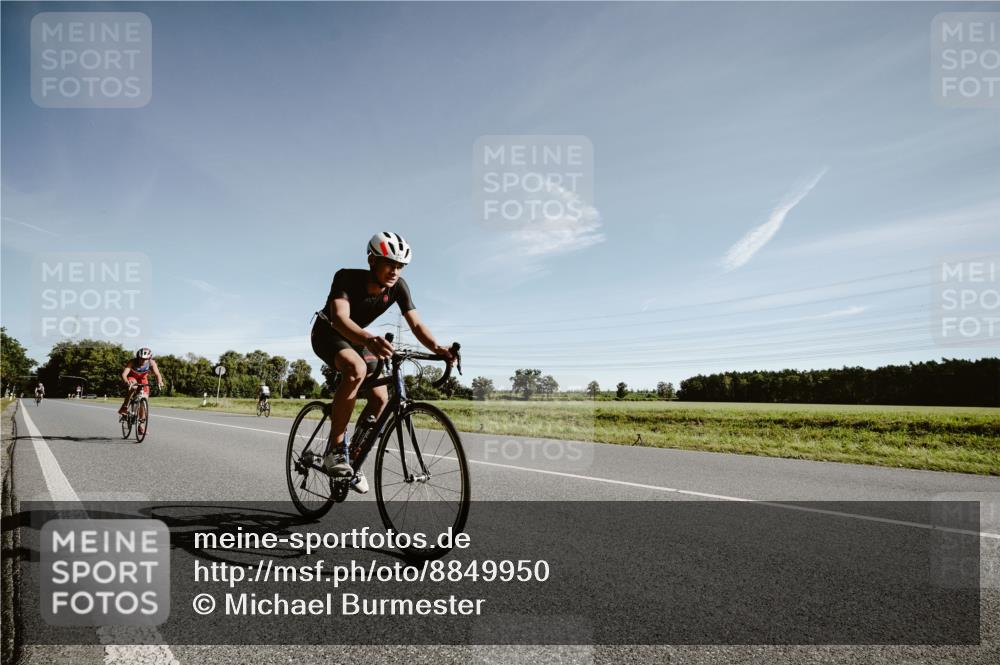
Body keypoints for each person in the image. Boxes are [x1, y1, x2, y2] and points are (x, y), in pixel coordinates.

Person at [311, 231, 453, 493]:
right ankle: (336, 449)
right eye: (390, 263)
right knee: (356, 369)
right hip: (327, 333)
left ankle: (354, 455)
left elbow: (416, 322)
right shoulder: (346, 277)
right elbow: (341, 318)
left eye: (400, 266)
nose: (395, 271)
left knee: (380, 398)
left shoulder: (398, 287)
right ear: (372, 261)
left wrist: (437, 348)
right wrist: (368, 338)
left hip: (357, 339)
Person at [119, 348, 165, 415]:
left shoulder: (151, 363)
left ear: (149, 359)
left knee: (145, 397)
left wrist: (160, 381)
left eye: (145, 359)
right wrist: (126, 381)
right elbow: (124, 374)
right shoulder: (132, 362)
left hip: (143, 378)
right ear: (138, 357)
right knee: (134, 387)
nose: (143, 361)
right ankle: (124, 406)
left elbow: (157, 374)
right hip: (132, 377)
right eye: (141, 359)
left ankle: (142, 422)